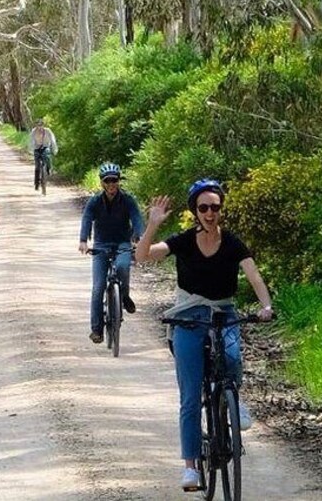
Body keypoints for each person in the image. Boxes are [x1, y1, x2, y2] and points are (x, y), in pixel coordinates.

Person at [135, 178, 274, 491]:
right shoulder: (184, 240)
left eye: (215, 207)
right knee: (190, 395)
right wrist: (152, 225)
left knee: (232, 357)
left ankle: (233, 399)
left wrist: (266, 306)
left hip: (222, 312)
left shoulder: (233, 242)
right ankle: (191, 468)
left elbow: (254, 276)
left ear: (220, 209)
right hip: (188, 317)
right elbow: (142, 256)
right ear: (195, 211)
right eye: (204, 207)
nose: (210, 213)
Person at [78, 162, 144, 344]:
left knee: (123, 267)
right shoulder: (95, 201)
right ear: (102, 183)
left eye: (114, 180)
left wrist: (141, 238)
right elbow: (87, 219)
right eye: (107, 181)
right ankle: (97, 330)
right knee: (98, 287)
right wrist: (83, 240)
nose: (111, 184)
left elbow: (137, 219)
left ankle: (124, 296)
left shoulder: (128, 200)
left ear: (119, 181)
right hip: (100, 244)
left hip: (122, 243)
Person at [28, 118, 58, 190]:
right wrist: (31, 150)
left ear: (43, 125)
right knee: (37, 165)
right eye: (38, 125)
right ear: (36, 126)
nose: (39, 127)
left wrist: (54, 149)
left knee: (47, 156)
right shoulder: (33, 132)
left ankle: (48, 169)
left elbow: (53, 140)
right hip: (37, 148)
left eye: (41, 125)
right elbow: (31, 141)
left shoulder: (48, 131)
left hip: (45, 146)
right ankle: (36, 182)